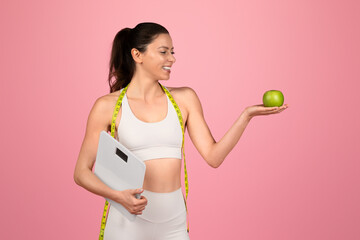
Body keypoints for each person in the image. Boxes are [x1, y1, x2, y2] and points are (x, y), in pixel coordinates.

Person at [73, 22, 288, 240]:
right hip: (127, 222)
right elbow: (81, 172)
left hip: (173, 223)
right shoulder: (107, 106)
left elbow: (214, 157)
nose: (172, 59)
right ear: (137, 55)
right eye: (163, 52)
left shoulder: (184, 99)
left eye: (172, 52)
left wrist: (246, 116)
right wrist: (118, 197)